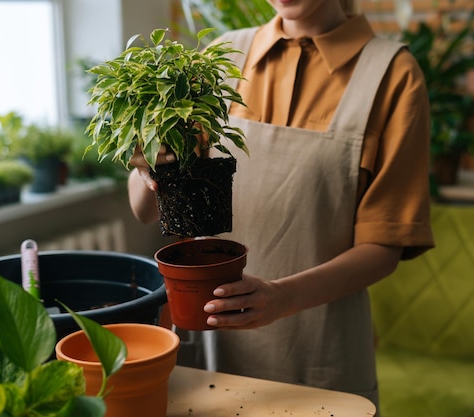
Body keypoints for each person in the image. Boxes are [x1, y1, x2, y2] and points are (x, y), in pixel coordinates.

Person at [128, 0, 434, 411]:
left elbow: (384, 248)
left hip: (319, 350)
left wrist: (282, 298)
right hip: (213, 335)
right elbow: (145, 210)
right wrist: (150, 168)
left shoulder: (391, 76)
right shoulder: (222, 59)